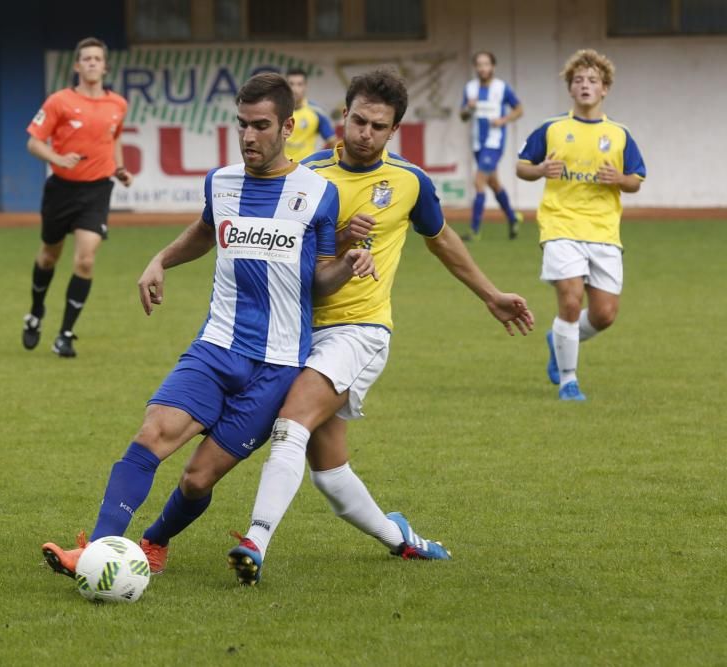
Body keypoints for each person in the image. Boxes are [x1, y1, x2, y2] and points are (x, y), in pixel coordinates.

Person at [41, 73, 377, 578]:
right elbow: (203, 232)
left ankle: (155, 541)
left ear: (288, 126)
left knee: (198, 479)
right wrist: (159, 260)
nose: (247, 136)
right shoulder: (220, 182)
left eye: (260, 125)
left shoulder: (318, 193)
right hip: (216, 347)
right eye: (241, 124)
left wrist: (347, 263)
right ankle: (98, 550)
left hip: (277, 365)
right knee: (152, 435)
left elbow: (318, 279)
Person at [227, 70, 535, 584]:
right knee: (330, 471)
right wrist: (339, 237)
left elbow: (442, 240)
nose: (365, 132)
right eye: (358, 120)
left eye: (378, 126)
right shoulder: (307, 175)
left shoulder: (410, 183)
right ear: (342, 117)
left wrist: (491, 294)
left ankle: (255, 542)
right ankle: (401, 539)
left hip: (360, 332)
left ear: (394, 132)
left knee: (292, 422)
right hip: (297, 331)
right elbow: (282, 249)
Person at [517, 49, 645, 401]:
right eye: (578, 80)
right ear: (570, 89)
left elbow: (636, 180)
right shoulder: (552, 128)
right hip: (560, 225)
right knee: (570, 302)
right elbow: (521, 166)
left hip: (603, 231)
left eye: (592, 80)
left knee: (604, 315)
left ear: (605, 89)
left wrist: (619, 178)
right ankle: (569, 380)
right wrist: (541, 169)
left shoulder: (620, 134)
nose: (585, 85)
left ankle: (557, 340)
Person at [22, 37, 132, 358]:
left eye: (98, 58)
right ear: (77, 66)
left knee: (85, 259)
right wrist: (56, 157)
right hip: (61, 190)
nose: (93, 63)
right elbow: (33, 142)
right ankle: (36, 311)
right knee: (48, 257)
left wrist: (120, 168)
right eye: (87, 58)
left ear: (106, 66)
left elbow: (115, 139)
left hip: (97, 190)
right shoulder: (59, 101)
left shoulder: (118, 105)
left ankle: (65, 334)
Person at [460, 51, 524, 241]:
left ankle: (474, 231)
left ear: (493, 66)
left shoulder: (502, 88)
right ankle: (513, 218)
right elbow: (463, 117)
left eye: (486, 64)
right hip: (477, 143)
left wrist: (503, 120)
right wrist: (468, 109)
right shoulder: (470, 88)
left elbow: (519, 109)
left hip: (494, 143)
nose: (482, 68)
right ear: (475, 67)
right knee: (494, 183)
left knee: (478, 182)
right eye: (479, 64)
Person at [284, 68, 337, 162]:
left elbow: (333, 142)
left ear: (305, 86)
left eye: (299, 84)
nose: (295, 89)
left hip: (306, 169)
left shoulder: (317, 112)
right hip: (280, 168)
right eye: (291, 84)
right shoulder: (276, 110)